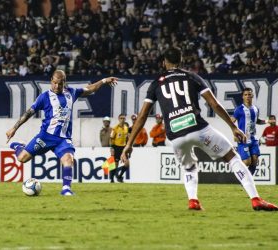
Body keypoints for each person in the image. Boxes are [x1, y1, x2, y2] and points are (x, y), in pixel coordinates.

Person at [122, 47, 277, 211]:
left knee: (189, 166)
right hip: (198, 128)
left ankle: (193, 201)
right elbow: (214, 103)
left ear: (164, 63)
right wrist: (233, 127)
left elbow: (143, 115)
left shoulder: (156, 83)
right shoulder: (191, 76)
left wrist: (129, 144)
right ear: (181, 61)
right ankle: (255, 199)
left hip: (175, 136)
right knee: (232, 157)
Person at [6, 70, 117, 196]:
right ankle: (18, 146)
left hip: (63, 139)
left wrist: (103, 81)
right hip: (45, 136)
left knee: (68, 159)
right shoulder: (44, 97)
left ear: (64, 82)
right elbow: (28, 113)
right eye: (54, 83)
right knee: (22, 158)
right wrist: (14, 128)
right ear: (51, 81)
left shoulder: (71, 93)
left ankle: (66, 189)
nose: (57, 86)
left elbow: (90, 89)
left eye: (60, 83)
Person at [231, 88, 267, 175]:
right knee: (247, 162)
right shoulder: (239, 109)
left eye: (249, 94)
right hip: (243, 140)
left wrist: (267, 121)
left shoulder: (255, 109)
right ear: (242, 97)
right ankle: (239, 173)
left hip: (253, 139)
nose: (248, 96)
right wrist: (234, 133)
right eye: (245, 95)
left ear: (252, 96)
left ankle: (248, 181)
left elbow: (256, 120)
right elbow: (231, 121)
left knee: (255, 160)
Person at [110, 114, 130, 183]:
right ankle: (112, 179)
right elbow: (111, 138)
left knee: (127, 164)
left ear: (125, 119)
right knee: (115, 164)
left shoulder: (126, 128)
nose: (122, 120)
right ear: (118, 119)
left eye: (123, 118)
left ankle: (119, 176)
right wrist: (111, 148)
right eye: (121, 118)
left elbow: (127, 138)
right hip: (116, 147)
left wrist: (128, 147)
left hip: (123, 148)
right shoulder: (115, 128)